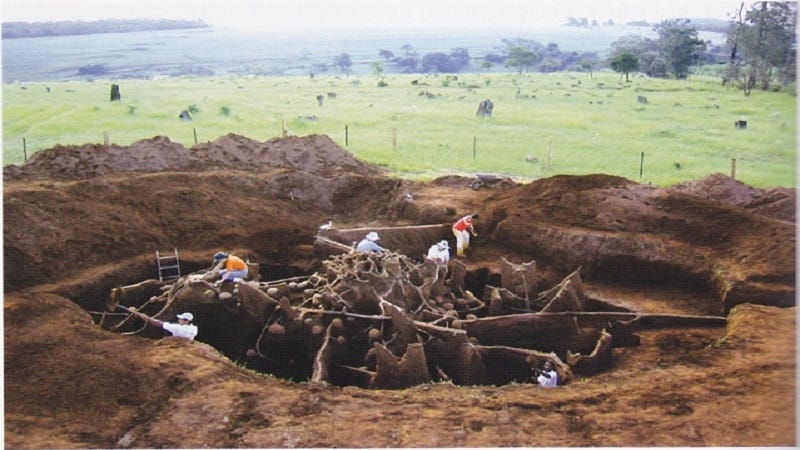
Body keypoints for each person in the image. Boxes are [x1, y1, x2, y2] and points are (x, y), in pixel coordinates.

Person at [127, 309, 198, 341]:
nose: (179, 320)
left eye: (180, 319)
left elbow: (157, 323)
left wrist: (142, 316)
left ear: (185, 320)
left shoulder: (177, 327)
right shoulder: (194, 328)